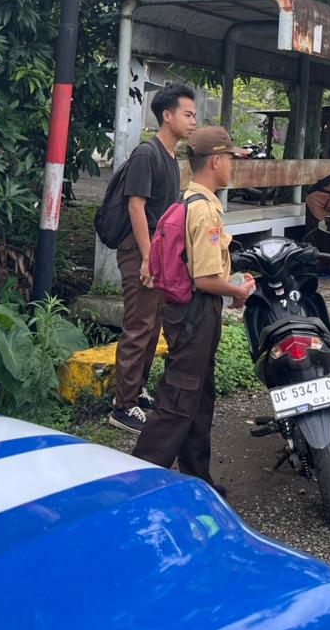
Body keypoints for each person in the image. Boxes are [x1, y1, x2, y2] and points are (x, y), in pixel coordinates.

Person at [133, 127, 255, 493]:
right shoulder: (203, 212)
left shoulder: (188, 200)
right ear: (215, 161)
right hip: (195, 314)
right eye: (230, 158)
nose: (232, 165)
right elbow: (204, 279)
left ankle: (197, 480)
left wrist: (230, 286)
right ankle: (137, 482)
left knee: (200, 396)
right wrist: (237, 290)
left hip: (188, 311)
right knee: (179, 396)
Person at [103, 84, 197, 434]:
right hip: (139, 250)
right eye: (188, 114)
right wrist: (146, 259)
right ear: (167, 116)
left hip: (157, 252)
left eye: (194, 115)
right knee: (139, 325)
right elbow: (136, 207)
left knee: (152, 323)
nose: (193, 121)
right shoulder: (148, 154)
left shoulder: (171, 157)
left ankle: (136, 390)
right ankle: (122, 406)